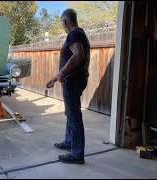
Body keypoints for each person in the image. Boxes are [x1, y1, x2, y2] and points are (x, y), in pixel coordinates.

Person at [46, 8, 90, 164]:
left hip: (72, 81)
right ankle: (69, 142)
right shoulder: (80, 33)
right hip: (75, 79)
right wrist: (54, 78)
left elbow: (78, 55)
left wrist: (63, 73)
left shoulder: (73, 34)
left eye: (62, 24)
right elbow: (74, 58)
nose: (62, 27)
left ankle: (77, 154)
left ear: (65, 22)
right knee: (70, 113)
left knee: (74, 116)